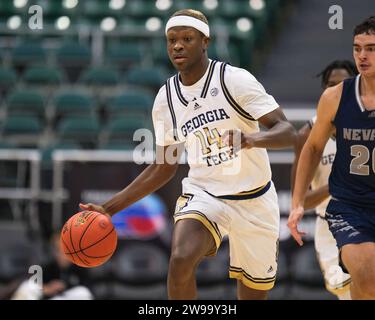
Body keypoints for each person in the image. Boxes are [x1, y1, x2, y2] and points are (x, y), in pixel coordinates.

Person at [81, 9, 296, 300]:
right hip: (205, 193)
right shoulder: (165, 98)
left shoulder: (235, 80)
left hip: (255, 199)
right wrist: (109, 208)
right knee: (180, 260)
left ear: (205, 41)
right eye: (171, 40)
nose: (177, 46)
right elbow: (163, 167)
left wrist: (250, 138)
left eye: (186, 39)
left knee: (252, 295)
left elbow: (286, 132)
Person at [288, 16, 375, 299]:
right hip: (347, 209)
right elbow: (312, 149)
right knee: (363, 274)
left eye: (371, 48)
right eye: (357, 48)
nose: (363, 55)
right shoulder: (334, 100)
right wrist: (298, 203)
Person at [291, 60, 357, 300]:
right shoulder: (307, 134)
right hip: (329, 225)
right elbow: (302, 201)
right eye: (331, 86)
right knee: (343, 288)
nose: (337, 91)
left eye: (343, 85)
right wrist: (335, 184)